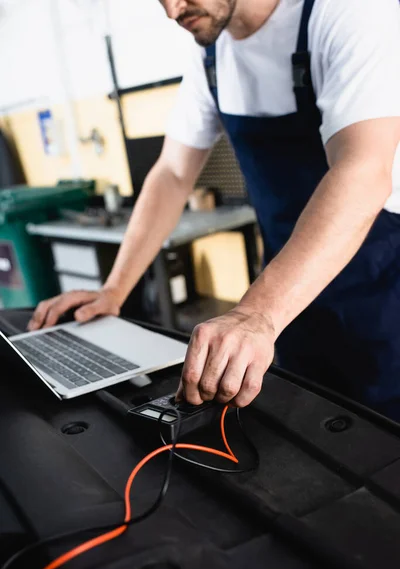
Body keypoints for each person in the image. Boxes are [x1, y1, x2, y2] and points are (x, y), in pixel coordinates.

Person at [29, 0, 400, 419]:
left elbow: (363, 170)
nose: (172, 11)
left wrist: (256, 313)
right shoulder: (211, 50)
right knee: (310, 427)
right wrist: (114, 291)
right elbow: (172, 172)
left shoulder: (348, 13)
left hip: (382, 295)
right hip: (290, 301)